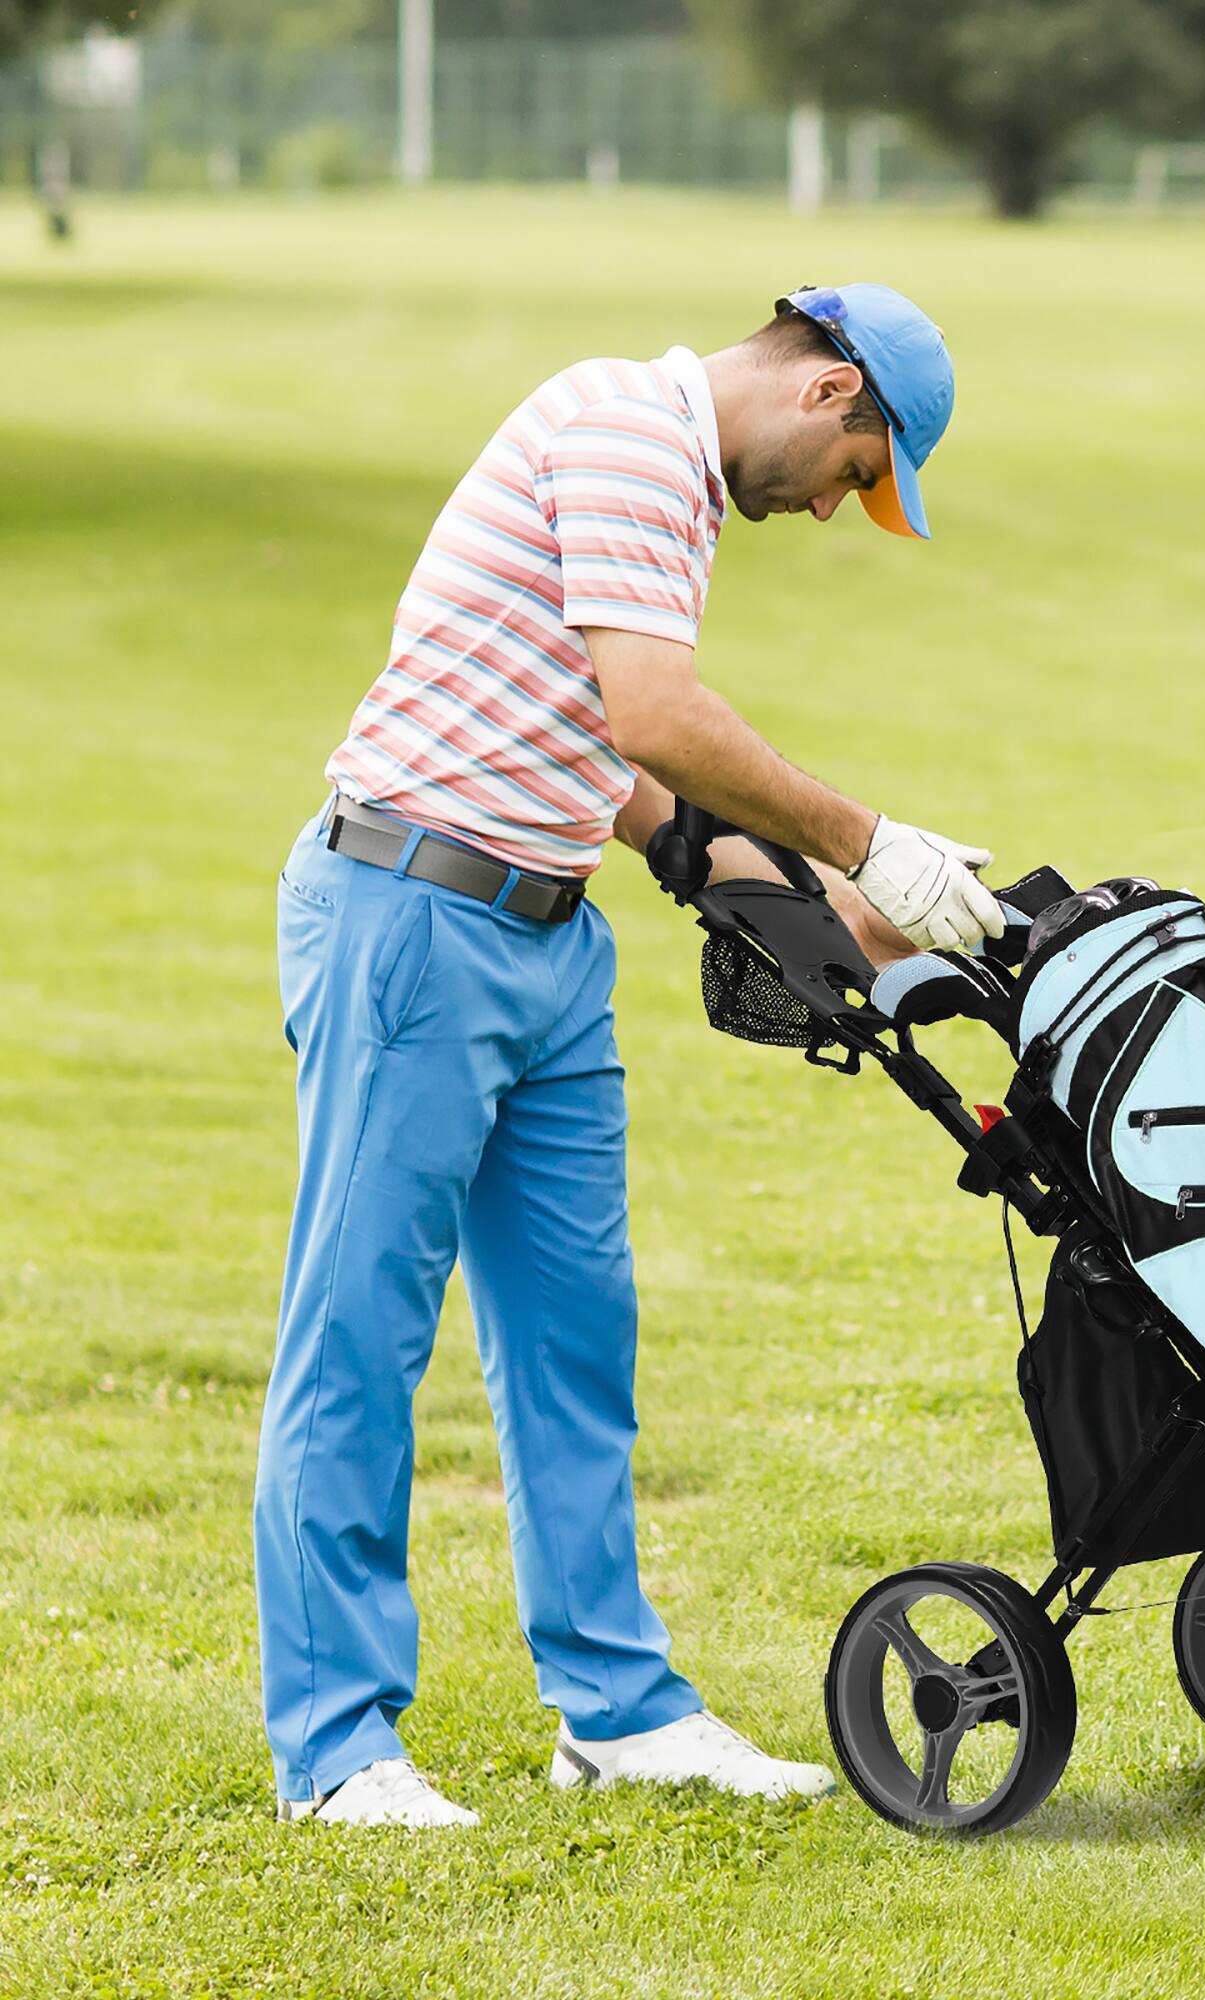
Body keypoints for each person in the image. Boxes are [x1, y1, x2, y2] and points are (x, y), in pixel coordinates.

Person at [256, 284, 1001, 1827]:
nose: (831, 508)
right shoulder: (625, 433)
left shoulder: (674, 477)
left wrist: (826, 907)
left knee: (575, 1340)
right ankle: (332, 1748)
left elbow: (614, 764)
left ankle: (616, 1709)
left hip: (545, 937)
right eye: (857, 473)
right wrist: (869, 837)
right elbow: (652, 710)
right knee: (360, 1335)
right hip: (412, 918)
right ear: (830, 392)